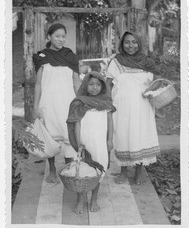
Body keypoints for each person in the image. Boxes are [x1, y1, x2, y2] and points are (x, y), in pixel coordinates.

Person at [106, 31, 161, 185]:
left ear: (139, 43)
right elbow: (108, 84)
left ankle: (139, 170)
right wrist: (107, 103)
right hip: (121, 107)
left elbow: (157, 82)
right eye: (127, 42)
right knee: (123, 135)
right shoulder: (116, 62)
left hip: (143, 106)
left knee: (140, 136)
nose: (131, 45)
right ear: (122, 44)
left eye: (134, 42)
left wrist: (151, 92)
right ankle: (123, 171)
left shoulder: (147, 62)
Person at [33, 23, 81, 183]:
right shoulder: (41, 57)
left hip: (68, 103)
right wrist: (35, 106)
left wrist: (81, 101)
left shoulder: (71, 56)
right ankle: (52, 170)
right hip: (48, 104)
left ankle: (68, 168)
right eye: (57, 36)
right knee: (50, 138)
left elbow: (76, 82)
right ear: (49, 37)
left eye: (63, 36)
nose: (61, 39)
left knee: (69, 137)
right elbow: (38, 84)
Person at [67, 71, 116, 214]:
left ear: (102, 87)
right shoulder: (80, 102)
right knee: (82, 170)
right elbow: (77, 124)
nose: (94, 87)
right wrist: (79, 142)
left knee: (99, 170)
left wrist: (110, 140)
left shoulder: (106, 103)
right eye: (91, 84)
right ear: (85, 85)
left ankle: (94, 199)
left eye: (98, 85)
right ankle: (80, 199)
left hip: (100, 143)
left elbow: (110, 122)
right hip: (85, 143)